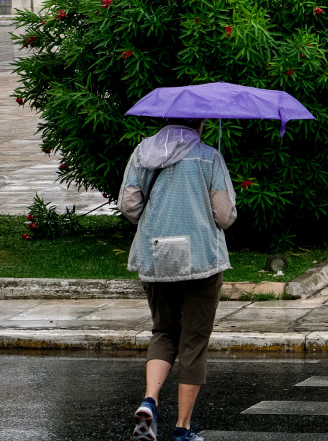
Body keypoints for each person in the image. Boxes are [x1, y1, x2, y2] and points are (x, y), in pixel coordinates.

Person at [118, 118, 237, 441]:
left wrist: (156, 221)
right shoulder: (208, 156)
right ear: (199, 124)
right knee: (194, 341)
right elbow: (223, 216)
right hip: (201, 259)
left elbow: (128, 204)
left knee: (164, 331)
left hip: (156, 256)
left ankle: (150, 400)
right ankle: (183, 428)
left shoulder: (142, 153)